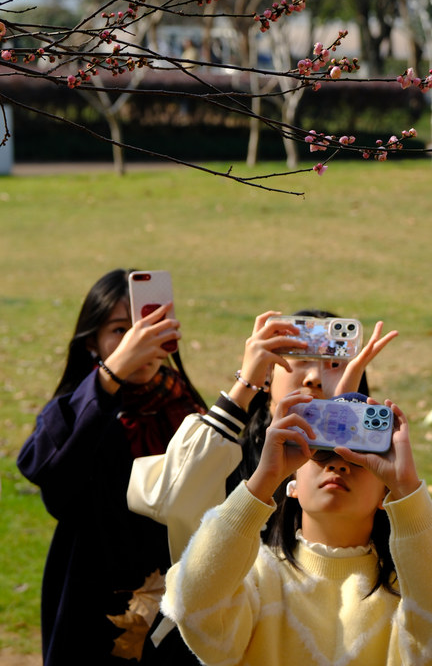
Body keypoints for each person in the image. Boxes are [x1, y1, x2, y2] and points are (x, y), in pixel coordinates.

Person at [16, 268, 207, 666]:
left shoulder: (184, 406)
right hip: (91, 596)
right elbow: (44, 470)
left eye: (149, 327)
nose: (138, 341)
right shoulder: (77, 409)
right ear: (92, 342)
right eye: (121, 330)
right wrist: (111, 377)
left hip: (177, 593)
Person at [161, 390, 432, 666]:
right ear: (293, 479)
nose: (338, 464)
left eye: (360, 455)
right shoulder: (255, 577)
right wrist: (262, 481)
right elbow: (191, 606)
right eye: (321, 451)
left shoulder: (411, 590)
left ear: (385, 495)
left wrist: (407, 491)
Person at [128, 310, 398, 557]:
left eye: (335, 365)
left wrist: (341, 426)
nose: (314, 377)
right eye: (302, 359)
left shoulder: (368, 469)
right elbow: (174, 497)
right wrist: (245, 386)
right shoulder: (225, 457)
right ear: (268, 374)